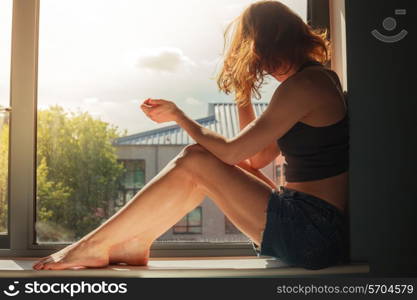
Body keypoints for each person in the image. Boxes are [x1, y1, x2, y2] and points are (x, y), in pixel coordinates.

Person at [33, 0, 348, 271]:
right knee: (201, 162)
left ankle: (94, 245)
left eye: (261, 58)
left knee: (196, 158)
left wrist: (179, 116)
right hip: (311, 225)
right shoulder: (313, 82)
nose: (263, 68)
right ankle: (135, 240)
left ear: (272, 46)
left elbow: (233, 153)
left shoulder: (305, 86)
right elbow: (256, 159)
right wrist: (243, 95)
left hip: (313, 231)